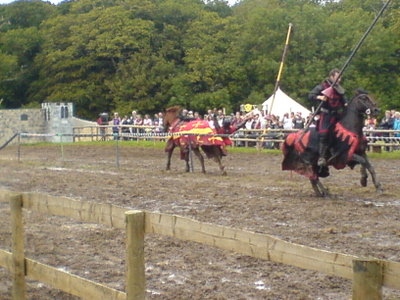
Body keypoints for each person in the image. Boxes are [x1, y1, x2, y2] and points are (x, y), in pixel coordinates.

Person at [308, 68, 348, 166]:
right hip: (325, 115)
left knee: (344, 131)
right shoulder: (322, 86)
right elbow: (311, 95)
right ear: (331, 76)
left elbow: (344, 101)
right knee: (324, 134)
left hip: (337, 115)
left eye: (340, 78)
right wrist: (319, 97)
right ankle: (321, 157)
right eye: (337, 77)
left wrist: (347, 105)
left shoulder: (339, 89)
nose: (339, 80)